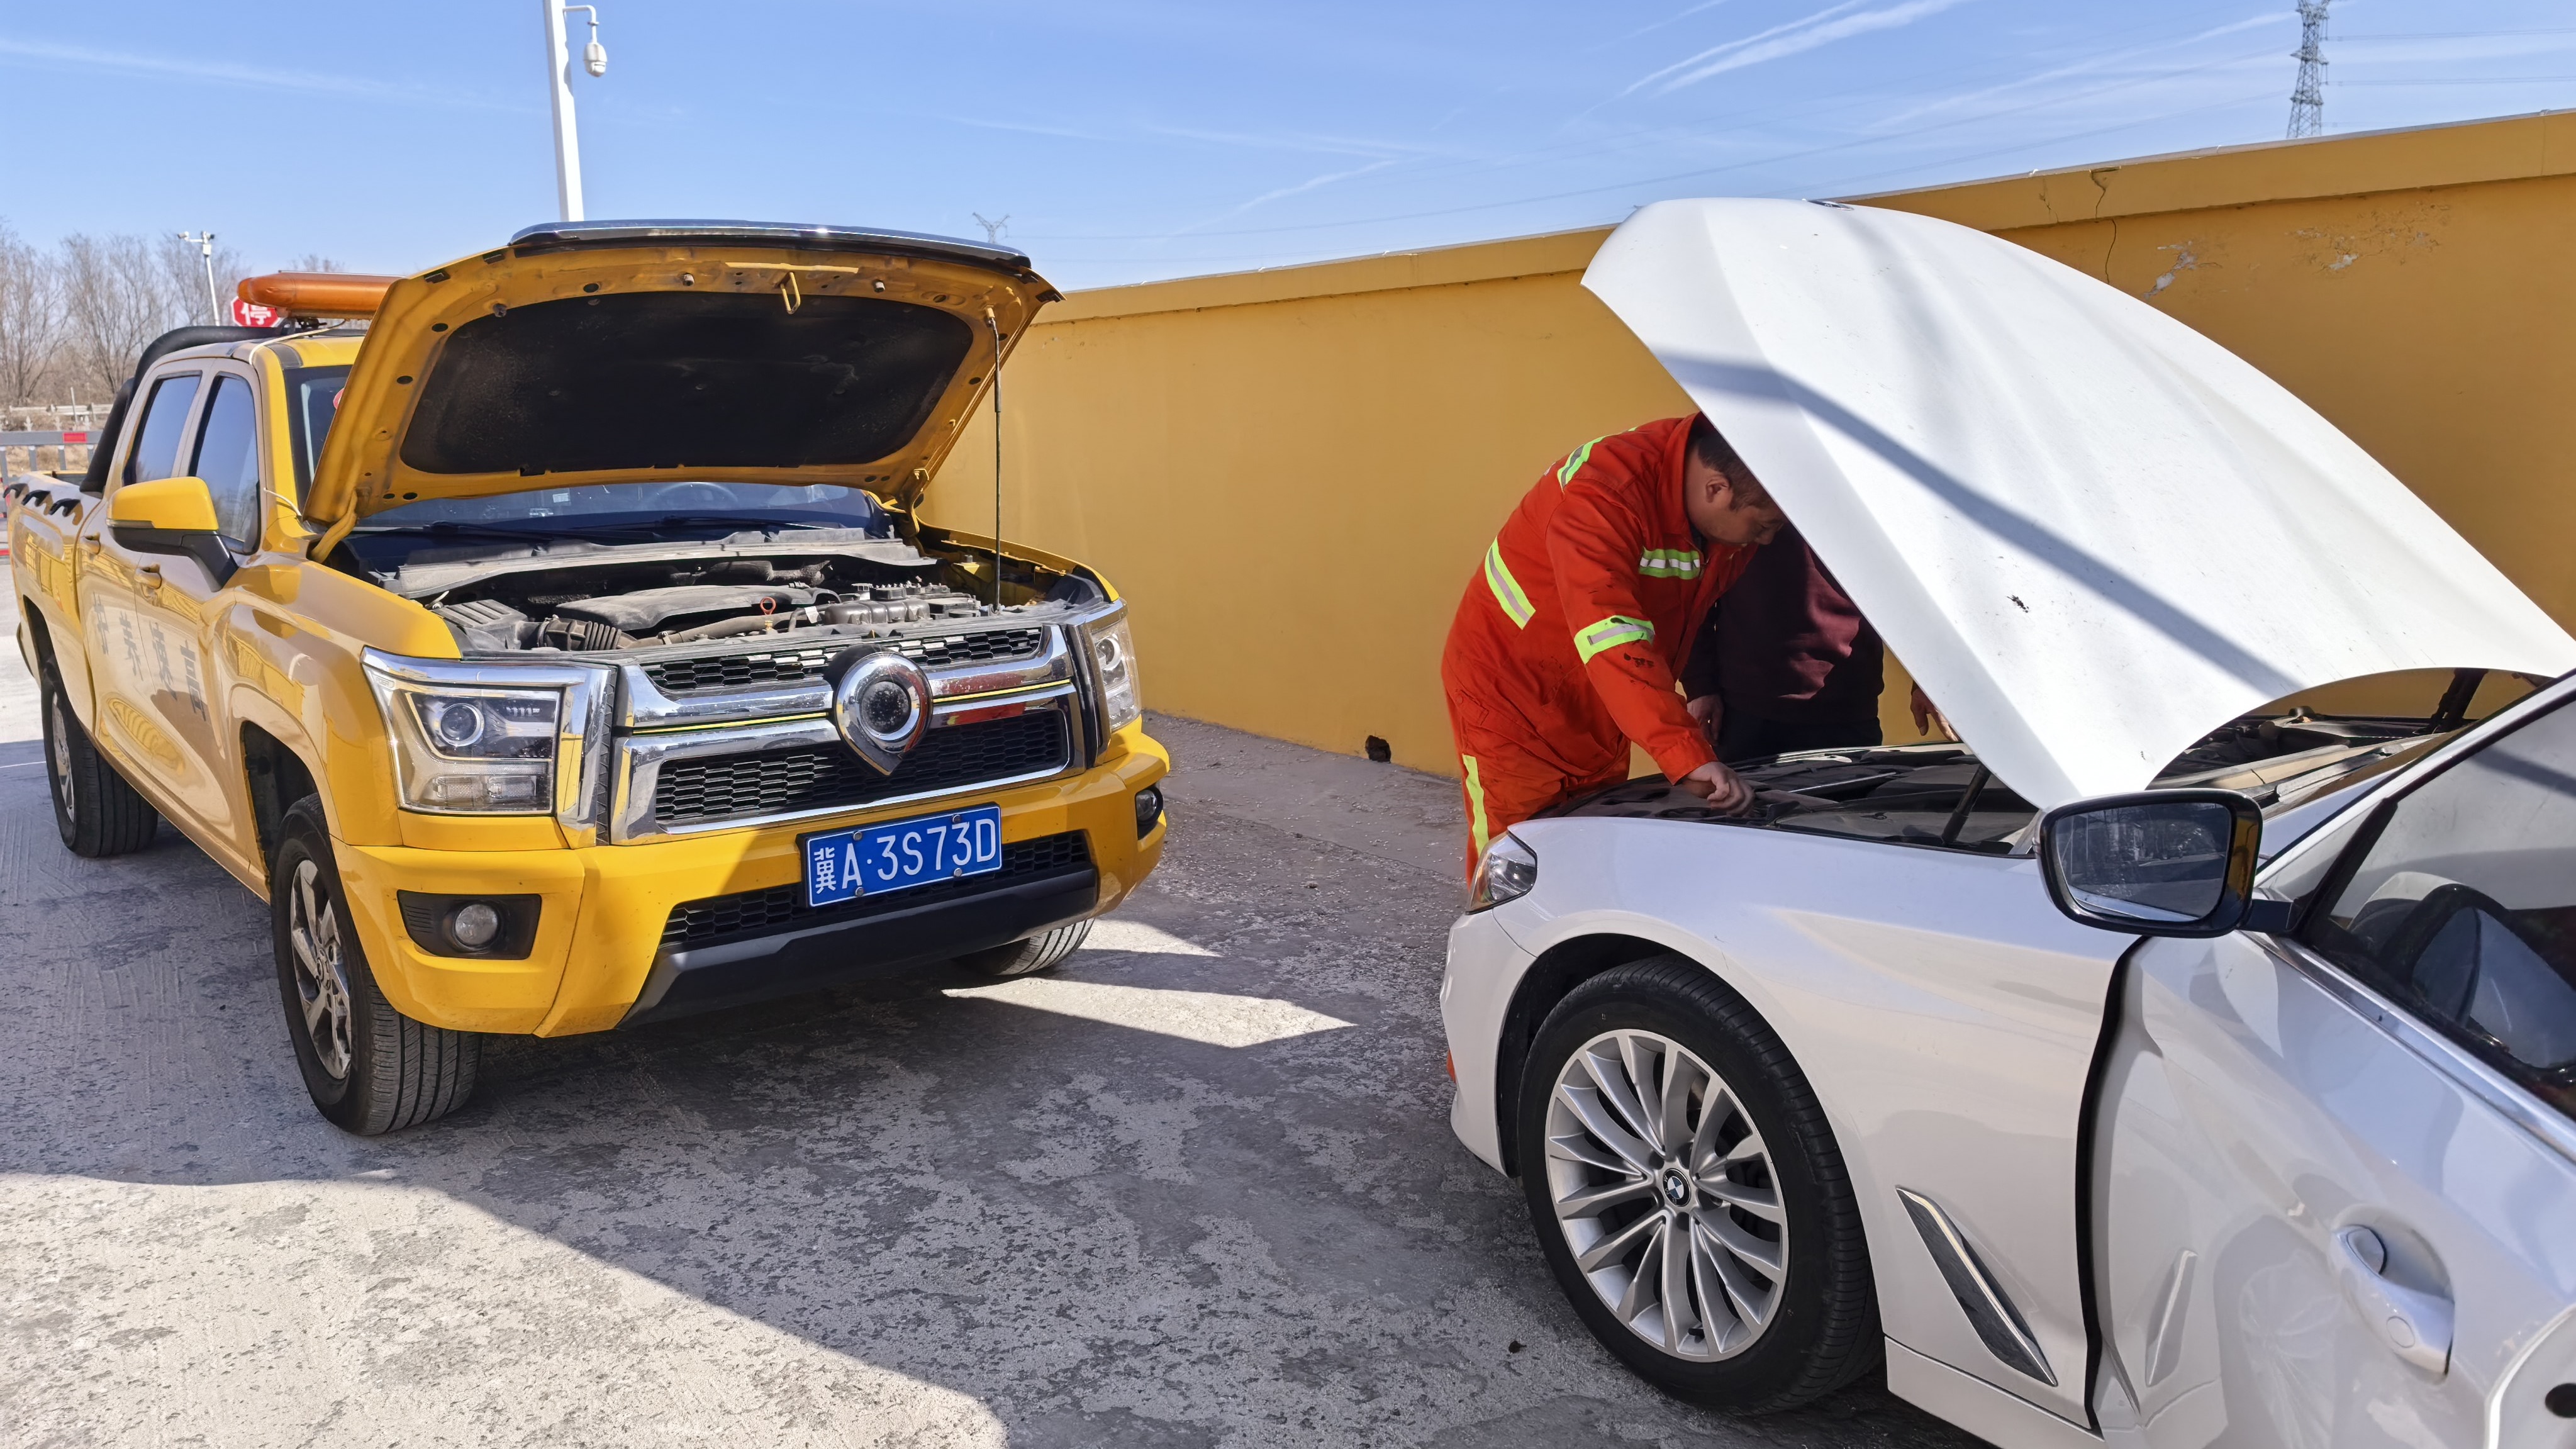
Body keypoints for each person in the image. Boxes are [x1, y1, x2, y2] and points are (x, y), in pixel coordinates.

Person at [1442, 413, 1787, 877]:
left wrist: (1695, 692)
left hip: (1598, 698)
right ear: (1716, 489)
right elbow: (1611, 632)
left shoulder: (1715, 499)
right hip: (1510, 696)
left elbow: (1683, 611)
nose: (1767, 540)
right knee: (1517, 859)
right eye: (1762, 526)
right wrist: (1686, 755)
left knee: (1581, 842)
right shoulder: (1604, 494)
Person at [1681, 522, 1941, 761]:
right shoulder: (1741, 490)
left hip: (1848, 702)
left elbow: (1924, 575)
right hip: (1743, 708)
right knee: (1742, 797)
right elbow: (1696, 592)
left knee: (1849, 799)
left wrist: (1932, 678)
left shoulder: (1878, 493)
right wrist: (1700, 685)